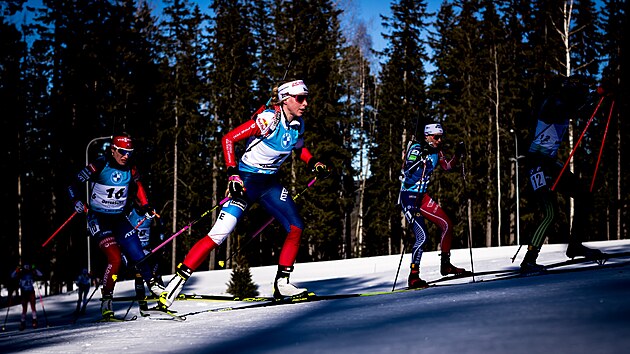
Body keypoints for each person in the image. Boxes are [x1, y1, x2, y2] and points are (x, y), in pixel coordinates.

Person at [157, 79, 331, 311]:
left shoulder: (298, 123)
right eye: (300, 98)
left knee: (296, 226)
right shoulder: (268, 119)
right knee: (219, 235)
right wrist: (232, 174)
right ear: (285, 99)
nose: (305, 103)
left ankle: (282, 284)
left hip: (269, 184)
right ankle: (176, 284)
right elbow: (228, 139)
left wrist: (312, 162)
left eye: (306, 98)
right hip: (246, 182)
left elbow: (298, 147)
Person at [67, 133, 164, 319]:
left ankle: (155, 287)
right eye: (122, 151)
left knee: (139, 254)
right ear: (112, 150)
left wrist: (146, 206)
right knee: (115, 258)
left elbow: (139, 186)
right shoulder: (100, 164)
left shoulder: (131, 168)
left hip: (119, 218)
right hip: (99, 219)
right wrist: (76, 201)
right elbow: (73, 183)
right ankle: (107, 302)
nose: (126, 156)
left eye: (129, 152)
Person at [520, 77, 605, 273]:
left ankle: (575, 245)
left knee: (584, 195)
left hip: (549, 163)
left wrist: (599, 96)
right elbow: (575, 111)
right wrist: (597, 95)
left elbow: (579, 110)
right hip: (537, 163)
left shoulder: (563, 101)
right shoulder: (554, 102)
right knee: (551, 212)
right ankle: (529, 260)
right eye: (579, 92)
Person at [398, 123, 468, 289]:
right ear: (427, 136)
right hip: (409, 197)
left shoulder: (438, 151)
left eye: (441, 137)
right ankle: (413, 276)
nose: (439, 140)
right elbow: (407, 173)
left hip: (422, 197)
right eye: (436, 137)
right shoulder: (416, 148)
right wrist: (420, 157)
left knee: (447, 225)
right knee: (422, 237)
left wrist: (458, 155)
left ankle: (446, 265)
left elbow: (447, 166)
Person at [127, 204, 163, 311]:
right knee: (139, 276)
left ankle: (161, 302)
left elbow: (159, 226)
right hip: (135, 251)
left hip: (148, 250)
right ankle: (142, 305)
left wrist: (161, 241)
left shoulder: (151, 212)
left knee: (155, 275)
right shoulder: (130, 213)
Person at [10, 264, 43, 330]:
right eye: (25, 267)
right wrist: (16, 270)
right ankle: (22, 322)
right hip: (24, 292)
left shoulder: (31, 272)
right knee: (24, 308)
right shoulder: (21, 272)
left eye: (28, 267)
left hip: (31, 291)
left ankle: (34, 320)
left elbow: (40, 274)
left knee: (33, 306)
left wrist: (34, 269)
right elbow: (12, 276)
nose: (27, 269)